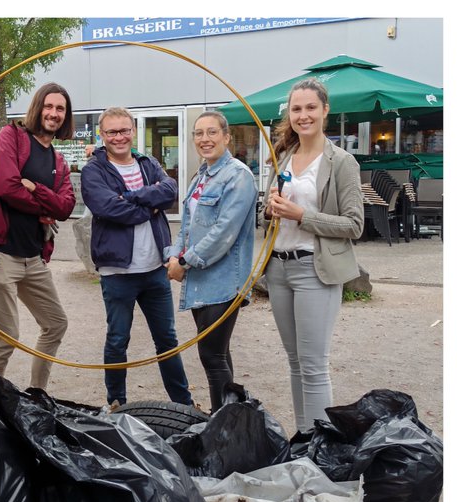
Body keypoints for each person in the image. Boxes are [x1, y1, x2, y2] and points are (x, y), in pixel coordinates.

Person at [262, 78, 364, 433]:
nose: (303, 115)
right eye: (296, 109)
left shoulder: (341, 162)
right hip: (278, 269)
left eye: (309, 108)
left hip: (314, 270)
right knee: (294, 363)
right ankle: (304, 439)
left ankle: (322, 449)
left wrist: (301, 215)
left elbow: (354, 225)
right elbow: (272, 207)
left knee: (314, 365)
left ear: (325, 111)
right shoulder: (285, 156)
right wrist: (270, 209)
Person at [81, 107, 192, 410]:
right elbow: (107, 208)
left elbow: (169, 191)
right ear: (102, 136)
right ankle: (117, 405)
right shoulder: (94, 170)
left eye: (124, 130)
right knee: (118, 339)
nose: (119, 137)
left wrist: (129, 197)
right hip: (117, 272)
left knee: (167, 340)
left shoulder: (148, 163)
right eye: (112, 132)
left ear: (133, 131)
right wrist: (148, 204)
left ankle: (184, 404)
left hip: (155, 268)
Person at [0, 82, 75, 390]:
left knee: (56, 323)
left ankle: (37, 395)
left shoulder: (58, 161)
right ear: (37, 106)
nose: (53, 113)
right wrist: (43, 207)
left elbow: (67, 206)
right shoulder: (11, 137)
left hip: (33, 255)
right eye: (49, 106)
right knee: (6, 336)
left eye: (60, 109)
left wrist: (36, 189)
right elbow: (5, 186)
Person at [164, 110, 256, 412]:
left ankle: (221, 427)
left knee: (212, 357)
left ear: (226, 137)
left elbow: (223, 233)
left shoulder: (238, 176)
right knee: (218, 354)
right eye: (199, 133)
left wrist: (185, 261)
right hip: (201, 282)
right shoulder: (201, 175)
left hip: (224, 282)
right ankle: (228, 422)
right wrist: (173, 255)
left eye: (212, 132)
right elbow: (188, 225)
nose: (205, 139)